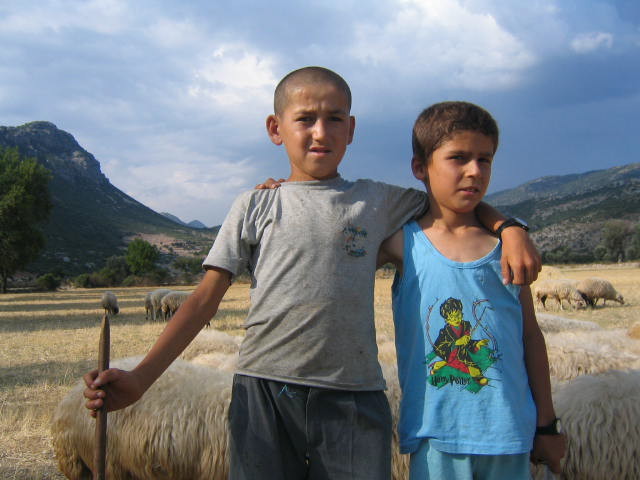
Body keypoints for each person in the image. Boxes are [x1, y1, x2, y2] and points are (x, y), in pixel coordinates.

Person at [83, 68, 541, 480]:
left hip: (354, 395)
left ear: (352, 129)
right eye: (305, 118)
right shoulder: (254, 205)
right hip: (264, 388)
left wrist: (510, 228)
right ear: (275, 128)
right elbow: (204, 298)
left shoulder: (379, 201)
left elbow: (457, 198)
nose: (321, 131)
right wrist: (141, 378)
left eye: (336, 118)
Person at [378, 101, 566, 479]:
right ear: (420, 168)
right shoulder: (401, 243)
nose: (474, 171)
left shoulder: (507, 249)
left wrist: (546, 424)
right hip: (436, 437)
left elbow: (529, 336)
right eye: (458, 158)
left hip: (511, 433)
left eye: (486, 159)